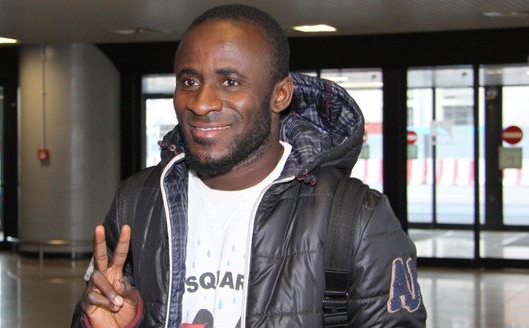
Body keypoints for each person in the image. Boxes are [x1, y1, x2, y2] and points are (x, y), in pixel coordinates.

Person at [71, 4, 427, 327]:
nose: (201, 103)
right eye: (189, 81)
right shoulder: (138, 201)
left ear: (280, 94)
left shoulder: (356, 217)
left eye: (230, 82)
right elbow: (94, 310)